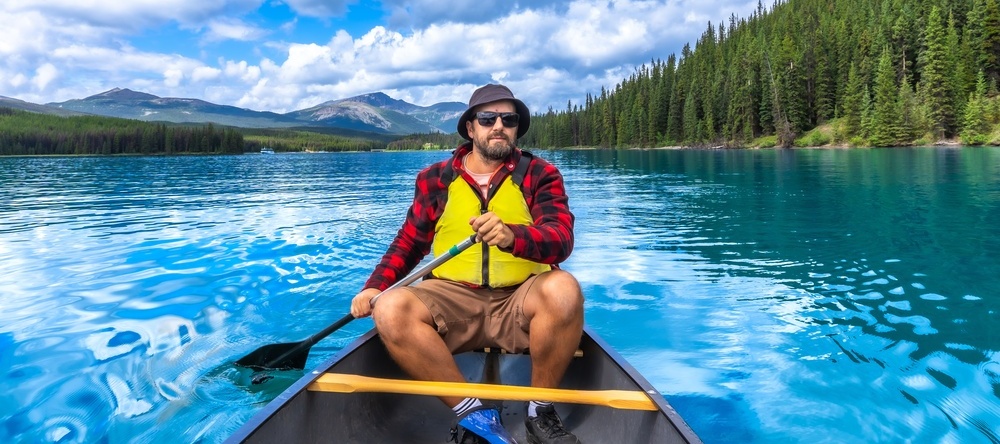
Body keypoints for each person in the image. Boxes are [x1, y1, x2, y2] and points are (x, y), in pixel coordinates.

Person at [350, 84, 585, 444]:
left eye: (509, 119)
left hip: (520, 299)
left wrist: (512, 236)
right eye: (488, 118)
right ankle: (474, 414)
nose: (499, 126)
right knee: (391, 307)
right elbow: (410, 242)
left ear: (517, 128)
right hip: (453, 299)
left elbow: (560, 239)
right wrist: (375, 286)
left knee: (565, 289)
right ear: (470, 128)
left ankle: (540, 410)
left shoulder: (540, 174)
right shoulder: (436, 179)